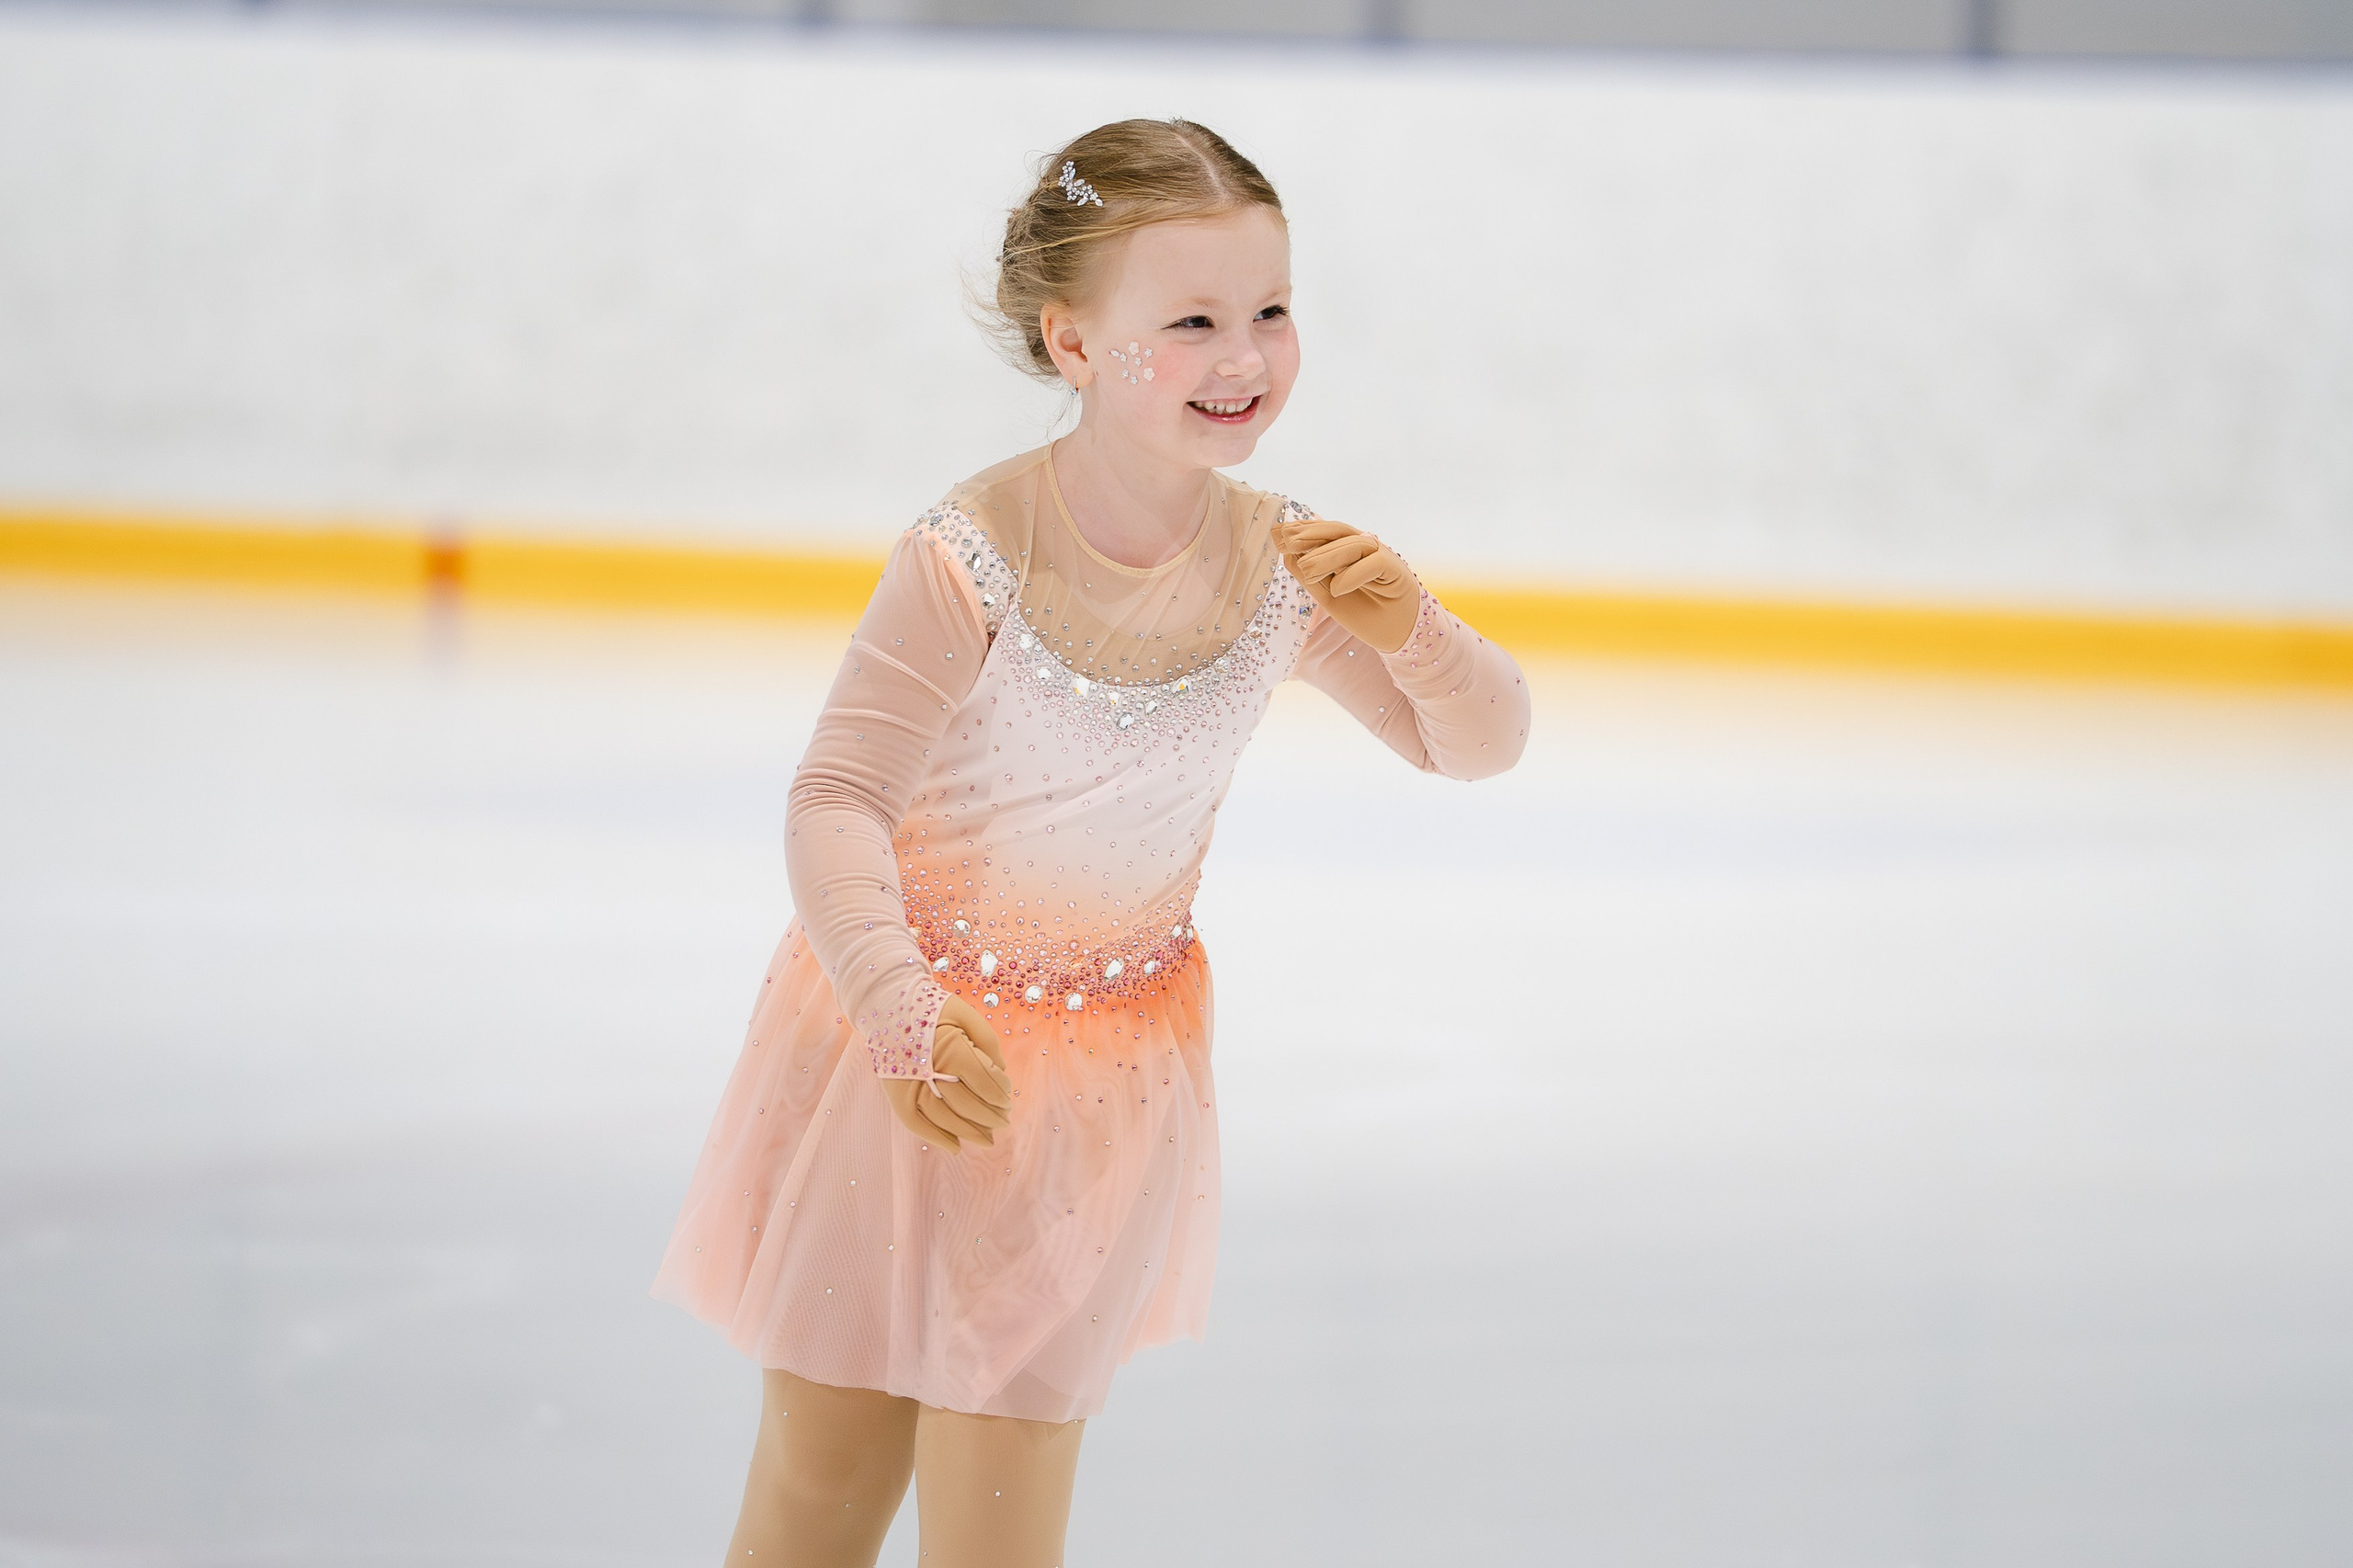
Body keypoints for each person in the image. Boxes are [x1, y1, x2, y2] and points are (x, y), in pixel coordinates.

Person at [654, 118, 1529, 1568]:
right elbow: (835, 799)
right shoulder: (973, 552)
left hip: (1096, 1098)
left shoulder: (1283, 565)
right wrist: (896, 1005)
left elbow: (1479, 742)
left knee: (1000, 1524)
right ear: (1072, 343)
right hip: (902, 1059)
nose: (1243, 356)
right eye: (1189, 322)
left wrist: (1414, 629)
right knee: (815, 1501)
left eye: (1270, 312)